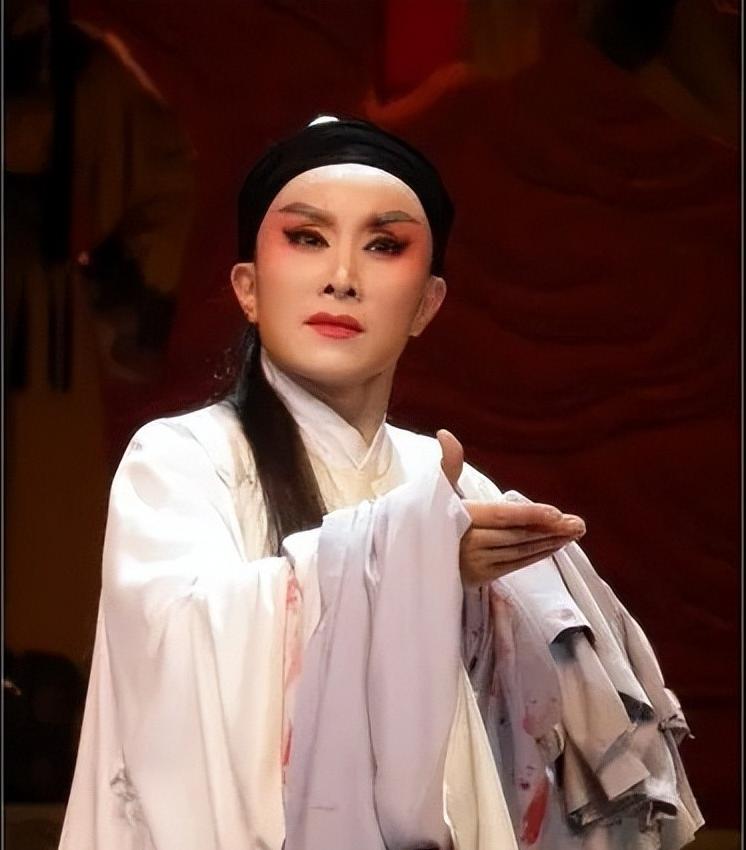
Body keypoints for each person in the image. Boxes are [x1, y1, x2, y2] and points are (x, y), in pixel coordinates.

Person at [59, 116, 700, 850]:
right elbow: (175, 669)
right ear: (247, 287)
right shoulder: (180, 459)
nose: (341, 276)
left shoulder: (452, 487)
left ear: (427, 303)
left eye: (384, 245)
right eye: (307, 238)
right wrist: (410, 561)